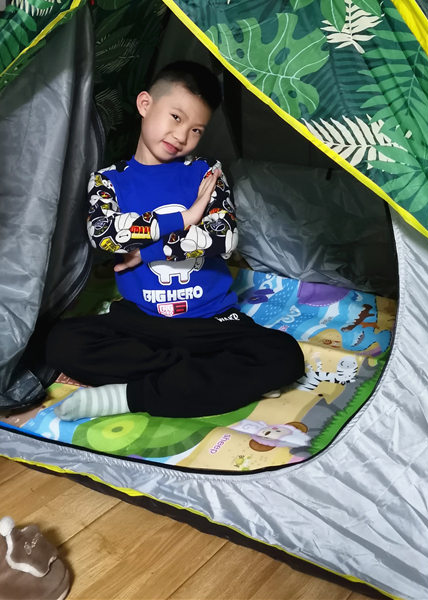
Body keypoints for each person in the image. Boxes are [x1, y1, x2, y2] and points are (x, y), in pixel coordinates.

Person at [45, 60, 304, 421]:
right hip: (142, 322)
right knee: (61, 341)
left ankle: (130, 396)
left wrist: (148, 250)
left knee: (284, 355)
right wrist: (185, 218)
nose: (182, 136)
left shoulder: (207, 173)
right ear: (145, 104)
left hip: (212, 322)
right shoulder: (107, 180)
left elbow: (223, 237)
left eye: (196, 129)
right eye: (176, 118)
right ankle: (201, 378)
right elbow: (104, 234)